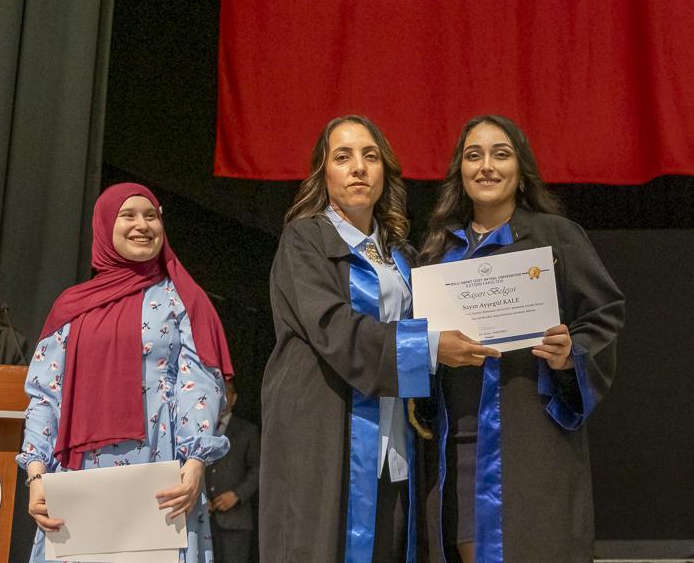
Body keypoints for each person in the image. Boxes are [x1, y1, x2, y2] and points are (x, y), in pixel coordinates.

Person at [259, 115, 498, 563]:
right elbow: (334, 328)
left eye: (370, 156)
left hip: (396, 440)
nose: (358, 167)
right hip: (325, 434)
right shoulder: (305, 240)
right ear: (323, 173)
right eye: (342, 157)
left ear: (384, 171)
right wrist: (428, 347)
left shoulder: (401, 254)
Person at [417, 115, 625, 563]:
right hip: (458, 443)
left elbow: (603, 316)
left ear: (521, 169)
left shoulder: (556, 237)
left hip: (530, 444)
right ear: (460, 171)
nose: (486, 166)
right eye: (474, 156)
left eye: (501, 154)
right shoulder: (438, 250)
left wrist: (571, 353)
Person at [15, 183, 234, 563]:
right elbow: (46, 394)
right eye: (128, 215)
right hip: (80, 474)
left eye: (151, 216)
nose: (142, 225)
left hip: (160, 465)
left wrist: (196, 462)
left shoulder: (182, 299)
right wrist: (36, 475)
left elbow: (198, 385)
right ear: (104, 225)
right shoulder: (73, 306)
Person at [206, 378, 260, 563]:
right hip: (204, 519)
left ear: (234, 398)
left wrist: (236, 495)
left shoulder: (247, 430)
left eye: (225, 392)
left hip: (236, 520)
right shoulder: (200, 431)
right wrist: (200, 498)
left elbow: (258, 468)